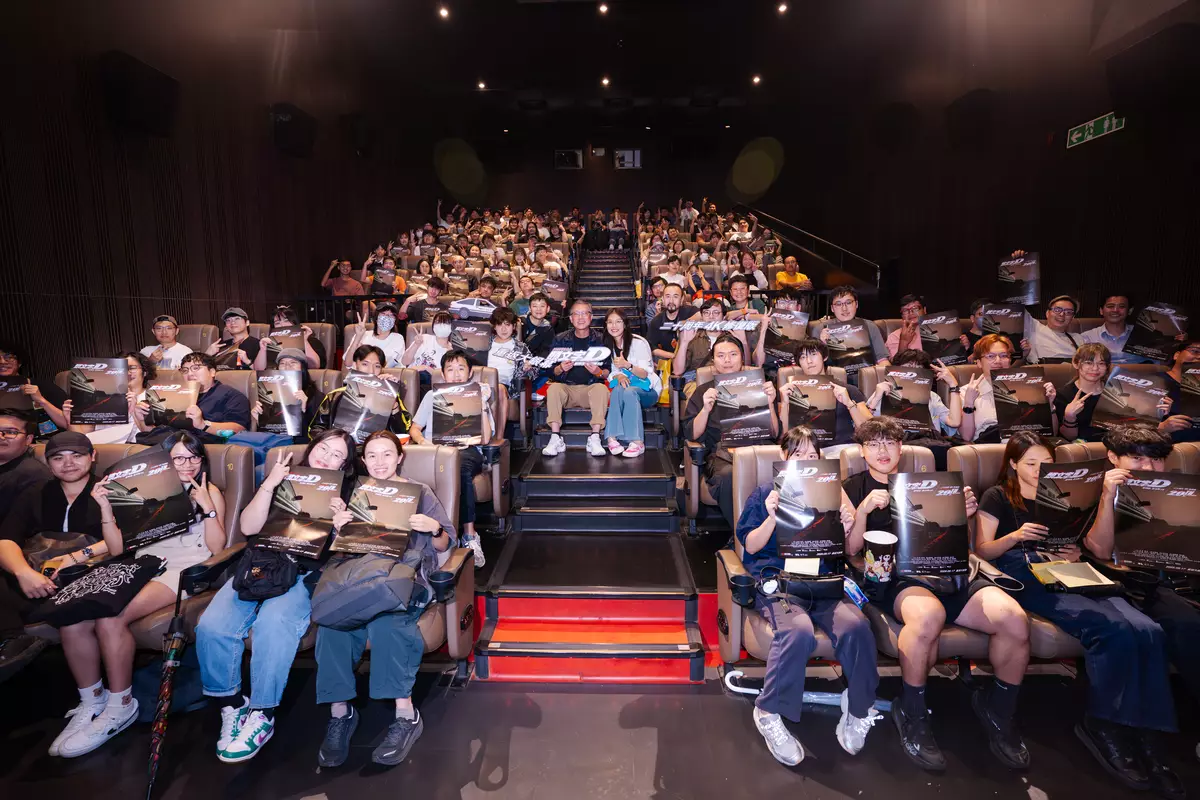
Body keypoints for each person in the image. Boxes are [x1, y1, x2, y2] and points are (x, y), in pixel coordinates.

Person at [974, 431, 1181, 795]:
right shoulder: (999, 495)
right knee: (1111, 628)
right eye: (1030, 463)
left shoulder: (1066, 494)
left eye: (1046, 463)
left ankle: (1149, 734)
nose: (1039, 470)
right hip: (1024, 569)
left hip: (1069, 566)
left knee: (1148, 629)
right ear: (1013, 464)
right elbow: (983, 550)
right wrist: (1015, 536)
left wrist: (1073, 550)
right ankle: (1105, 725)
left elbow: (1086, 541)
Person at [841, 417, 1031, 772]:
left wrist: (966, 514)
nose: (883, 451)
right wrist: (863, 510)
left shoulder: (931, 483)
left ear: (901, 447)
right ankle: (912, 712)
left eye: (890, 442)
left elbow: (964, 541)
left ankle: (999, 710)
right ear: (862, 451)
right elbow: (851, 550)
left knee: (1014, 619)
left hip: (950, 570)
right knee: (929, 616)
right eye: (874, 444)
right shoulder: (853, 487)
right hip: (897, 578)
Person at [44, 431, 224, 757]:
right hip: (141, 567)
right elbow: (117, 548)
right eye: (178, 458)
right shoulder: (145, 491)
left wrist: (208, 509)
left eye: (193, 457)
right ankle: (92, 701)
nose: (187, 464)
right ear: (163, 462)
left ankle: (121, 705)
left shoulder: (207, 490)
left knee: (111, 618)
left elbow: (217, 547)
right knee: (72, 617)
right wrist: (105, 508)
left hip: (182, 570)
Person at [196, 429, 356, 763]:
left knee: (273, 624)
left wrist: (341, 527)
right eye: (324, 448)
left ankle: (262, 713)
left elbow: (347, 552)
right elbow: (248, 528)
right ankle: (233, 705)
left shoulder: (346, 492)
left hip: (303, 572)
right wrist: (270, 483)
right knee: (211, 627)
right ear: (312, 448)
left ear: (344, 465)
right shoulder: (282, 476)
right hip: (259, 566)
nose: (327, 458)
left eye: (337, 455)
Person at [738, 426, 880, 765]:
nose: (805, 460)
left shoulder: (832, 494)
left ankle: (859, 707)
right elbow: (750, 546)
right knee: (798, 630)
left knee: (857, 627)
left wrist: (848, 524)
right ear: (783, 457)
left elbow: (851, 550)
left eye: (812, 455)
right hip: (781, 583)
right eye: (797, 454)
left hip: (824, 582)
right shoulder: (765, 493)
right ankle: (768, 712)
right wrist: (772, 518)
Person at [316, 430, 455, 769]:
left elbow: (446, 544)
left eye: (387, 454)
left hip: (405, 578)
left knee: (389, 624)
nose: (379, 462)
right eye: (372, 455)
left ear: (400, 457)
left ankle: (406, 715)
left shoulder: (420, 492)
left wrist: (433, 528)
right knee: (333, 626)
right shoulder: (355, 492)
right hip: (360, 577)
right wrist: (339, 527)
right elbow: (338, 549)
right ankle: (340, 713)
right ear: (363, 461)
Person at [1083, 424, 1200, 778]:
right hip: (1128, 582)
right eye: (1137, 459)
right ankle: (1143, 734)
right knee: (1178, 627)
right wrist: (1107, 496)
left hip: (1178, 577)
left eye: (1156, 460)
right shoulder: (1095, 488)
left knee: (1187, 624)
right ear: (1113, 458)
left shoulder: (1180, 491)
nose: (1148, 468)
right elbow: (1100, 549)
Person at [681, 334, 780, 527]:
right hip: (722, 455)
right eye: (721, 355)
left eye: (733, 354)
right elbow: (691, 434)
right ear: (713, 360)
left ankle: (773, 535)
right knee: (729, 475)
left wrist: (770, 403)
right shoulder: (703, 391)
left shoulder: (760, 387)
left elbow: (775, 433)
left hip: (760, 448)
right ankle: (743, 534)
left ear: (742, 358)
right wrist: (705, 409)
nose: (727, 360)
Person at [409, 351, 491, 567]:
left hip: (466, 450)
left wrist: (482, 404)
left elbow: (486, 438)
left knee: (458, 468)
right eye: (450, 369)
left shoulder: (477, 394)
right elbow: (415, 429)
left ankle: (470, 536)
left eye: (461, 368)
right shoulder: (431, 396)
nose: (456, 374)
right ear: (443, 374)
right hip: (435, 450)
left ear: (470, 372)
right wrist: (424, 443)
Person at [0, 410, 51, 673]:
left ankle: (11, 639)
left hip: (20, 554)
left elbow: (15, 531)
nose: (1, 436)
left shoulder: (32, 475)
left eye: (10, 432)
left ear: (29, 439)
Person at [863, 348, 964, 468]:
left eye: (918, 370)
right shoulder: (881, 393)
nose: (912, 374)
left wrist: (953, 385)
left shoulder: (931, 396)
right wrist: (876, 399)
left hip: (930, 446)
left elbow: (954, 422)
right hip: (893, 446)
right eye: (907, 369)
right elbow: (864, 428)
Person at [540, 301, 612, 458]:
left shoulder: (601, 339)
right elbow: (550, 370)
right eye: (576, 314)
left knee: (601, 389)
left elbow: (608, 371)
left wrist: (599, 372)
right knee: (554, 389)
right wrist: (560, 368)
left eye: (584, 313)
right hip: (567, 389)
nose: (580, 317)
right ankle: (555, 438)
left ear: (591, 317)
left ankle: (594, 437)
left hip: (591, 389)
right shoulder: (560, 339)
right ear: (571, 319)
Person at [958, 334, 1057, 444]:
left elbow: (1052, 433)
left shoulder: (1029, 387)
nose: (998, 361)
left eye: (1003, 355)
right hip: (990, 447)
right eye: (990, 356)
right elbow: (967, 437)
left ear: (1010, 360)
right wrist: (969, 403)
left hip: (1029, 445)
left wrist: (1050, 405)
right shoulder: (965, 392)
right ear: (979, 363)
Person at [779, 338, 872, 455]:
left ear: (824, 357)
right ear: (799, 363)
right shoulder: (792, 392)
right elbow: (785, 434)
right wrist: (785, 403)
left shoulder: (848, 390)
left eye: (813, 354)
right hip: (807, 451)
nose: (809, 361)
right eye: (803, 357)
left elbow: (869, 430)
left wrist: (849, 403)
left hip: (842, 449)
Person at [139, 352, 250, 444]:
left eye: (196, 368)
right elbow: (154, 434)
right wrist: (140, 418)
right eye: (185, 370)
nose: (190, 374)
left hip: (203, 450)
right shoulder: (173, 396)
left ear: (212, 372)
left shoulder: (231, 396)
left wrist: (203, 424)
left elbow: (239, 430)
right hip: (167, 445)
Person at [308, 345, 411, 441]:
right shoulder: (335, 396)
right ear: (354, 365)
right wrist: (331, 442)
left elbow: (402, 432)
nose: (371, 371)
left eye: (377, 366)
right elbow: (316, 429)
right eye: (365, 364)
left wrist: (391, 399)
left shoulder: (391, 398)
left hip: (377, 449)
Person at [601, 309, 661, 458]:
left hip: (648, 391)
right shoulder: (607, 345)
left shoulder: (638, 343)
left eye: (618, 321)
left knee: (629, 391)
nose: (614, 326)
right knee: (617, 389)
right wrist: (620, 376)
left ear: (625, 324)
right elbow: (612, 373)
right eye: (610, 322)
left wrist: (627, 366)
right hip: (626, 388)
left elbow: (645, 373)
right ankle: (612, 437)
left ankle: (637, 442)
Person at [64, 352, 154, 445]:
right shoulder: (100, 399)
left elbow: (157, 437)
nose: (127, 373)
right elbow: (82, 439)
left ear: (145, 372)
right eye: (121, 369)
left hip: (136, 448)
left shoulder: (153, 399)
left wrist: (134, 413)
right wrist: (70, 420)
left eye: (132, 368)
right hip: (101, 448)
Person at [810, 286, 889, 371]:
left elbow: (883, 360)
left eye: (848, 303)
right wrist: (822, 344)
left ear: (856, 304)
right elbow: (813, 366)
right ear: (832, 308)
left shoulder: (870, 326)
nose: (844, 308)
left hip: (865, 375)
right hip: (834, 376)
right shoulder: (820, 329)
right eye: (838, 304)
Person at [250, 349, 320, 443]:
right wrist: (260, 419)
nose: (287, 366)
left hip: (299, 446)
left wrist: (303, 410)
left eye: (293, 362)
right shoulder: (271, 398)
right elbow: (267, 433)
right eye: (282, 363)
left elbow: (317, 434)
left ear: (302, 368)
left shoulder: (316, 396)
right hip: (272, 444)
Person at [0, 342, 69, 435]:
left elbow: (68, 423)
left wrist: (41, 400)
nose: (2, 362)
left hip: (44, 440)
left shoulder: (42, 387)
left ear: (19, 363)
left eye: (9, 357)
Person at [1053, 342, 1110, 442]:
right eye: (1088, 363)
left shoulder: (1116, 393)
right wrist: (1069, 417)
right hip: (1081, 447)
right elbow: (1068, 438)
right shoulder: (1063, 395)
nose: (1095, 368)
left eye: (1101, 364)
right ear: (1075, 363)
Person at [1080, 294, 1149, 365]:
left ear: (1129, 311)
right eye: (1110, 306)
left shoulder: (1144, 335)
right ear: (1101, 310)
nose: (1115, 310)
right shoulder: (1087, 338)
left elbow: (1154, 365)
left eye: (1121, 306)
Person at [253, 305, 325, 371]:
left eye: (286, 320)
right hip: (275, 378)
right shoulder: (270, 344)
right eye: (277, 323)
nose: (282, 325)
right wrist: (263, 349)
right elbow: (258, 370)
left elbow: (315, 366)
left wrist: (304, 340)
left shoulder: (311, 341)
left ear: (294, 322)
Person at [1159, 337, 1200, 443]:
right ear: (1176, 355)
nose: (1199, 357)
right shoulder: (1154, 380)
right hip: (1168, 443)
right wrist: (1162, 427)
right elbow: (1132, 419)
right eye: (1195, 351)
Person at [1022, 295, 1082, 364]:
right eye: (1057, 310)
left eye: (1068, 312)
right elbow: (1017, 304)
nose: (1062, 314)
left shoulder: (1078, 338)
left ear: (1073, 317)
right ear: (1047, 313)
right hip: (1042, 370)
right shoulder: (1034, 328)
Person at [647, 283, 699, 363]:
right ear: (662, 299)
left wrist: (685, 323)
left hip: (693, 360)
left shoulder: (689, 311)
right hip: (670, 361)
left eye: (675, 296)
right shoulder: (657, 321)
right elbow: (652, 347)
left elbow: (702, 314)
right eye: (667, 296)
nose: (671, 301)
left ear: (681, 299)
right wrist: (674, 356)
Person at [401, 311, 455, 386]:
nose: (441, 325)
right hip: (409, 379)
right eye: (438, 322)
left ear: (452, 326)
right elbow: (405, 362)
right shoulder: (423, 338)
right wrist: (416, 344)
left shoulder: (451, 351)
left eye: (445, 322)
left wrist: (426, 368)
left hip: (430, 384)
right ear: (433, 325)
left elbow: (444, 377)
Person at [345, 303, 405, 369]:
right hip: (360, 374)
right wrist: (358, 337)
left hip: (385, 374)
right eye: (383, 314)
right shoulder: (362, 335)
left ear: (395, 320)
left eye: (391, 315)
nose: (387, 317)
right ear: (376, 318)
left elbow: (400, 366)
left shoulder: (398, 338)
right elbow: (348, 363)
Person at [521, 292, 556, 360]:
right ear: (529, 308)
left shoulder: (548, 328)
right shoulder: (520, 322)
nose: (538, 309)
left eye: (542, 306)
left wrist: (533, 362)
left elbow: (545, 351)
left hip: (532, 362)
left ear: (548, 309)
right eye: (535, 306)